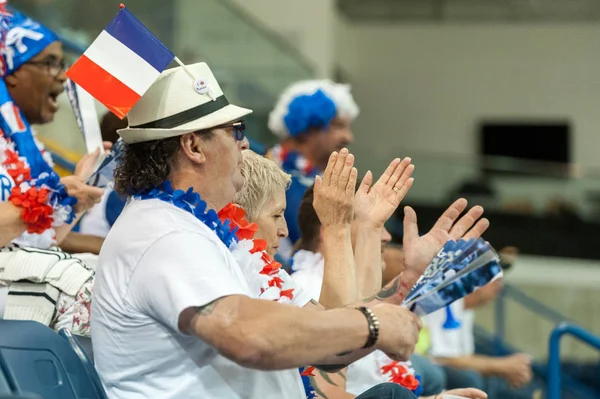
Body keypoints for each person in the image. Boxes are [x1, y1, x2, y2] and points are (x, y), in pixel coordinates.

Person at [91, 61, 469, 399]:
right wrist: (373, 324)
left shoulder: (207, 232)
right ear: (193, 145)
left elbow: (326, 337)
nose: (244, 143)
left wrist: (408, 282)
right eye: (234, 129)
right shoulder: (165, 235)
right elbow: (250, 338)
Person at [289, 183, 489, 399]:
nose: (386, 237)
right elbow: (322, 389)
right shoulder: (305, 287)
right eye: (373, 225)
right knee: (397, 390)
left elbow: (368, 379)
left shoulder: (348, 285)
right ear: (329, 227)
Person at [0, 11, 106, 336]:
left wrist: (78, 195)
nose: (62, 76)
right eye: (50, 63)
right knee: (98, 296)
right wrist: (53, 196)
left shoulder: (28, 148)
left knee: (127, 278)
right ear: (11, 71)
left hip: (23, 275)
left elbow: (45, 239)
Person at [267, 80, 358, 259]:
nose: (348, 137)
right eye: (338, 126)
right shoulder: (267, 171)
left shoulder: (323, 178)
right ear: (306, 126)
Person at [425, 277, 537, 399]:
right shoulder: (446, 300)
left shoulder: (467, 310)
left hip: (442, 369)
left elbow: (464, 357)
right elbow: (441, 358)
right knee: (472, 380)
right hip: (429, 368)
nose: (499, 288)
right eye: (496, 281)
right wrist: (501, 366)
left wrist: (505, 368)